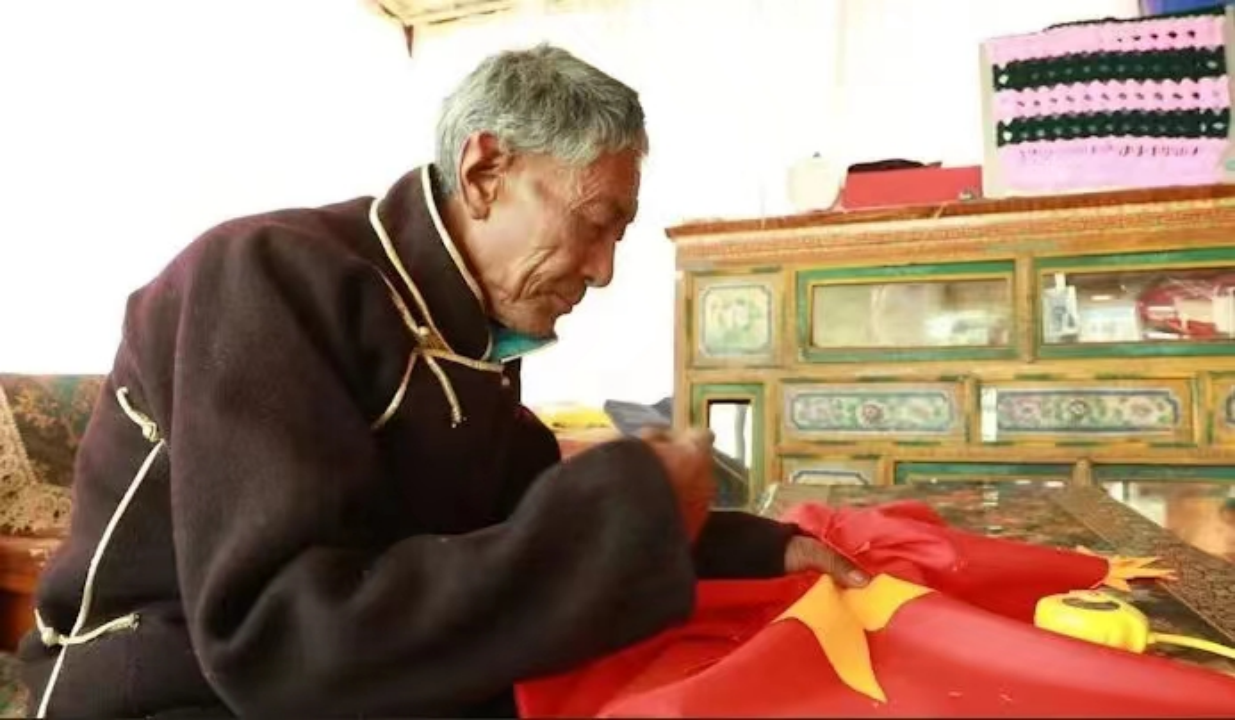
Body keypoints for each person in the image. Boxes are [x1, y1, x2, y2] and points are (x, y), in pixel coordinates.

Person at [19, 44, 866, 718]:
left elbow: (517, 510)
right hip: (168, 681)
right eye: (594, 223)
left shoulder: (462, 337)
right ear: (485, 171)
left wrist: (750, 545)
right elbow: (275, 639)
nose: (603, 270)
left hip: (341, 675)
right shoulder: (266, 278)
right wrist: (633, 507)